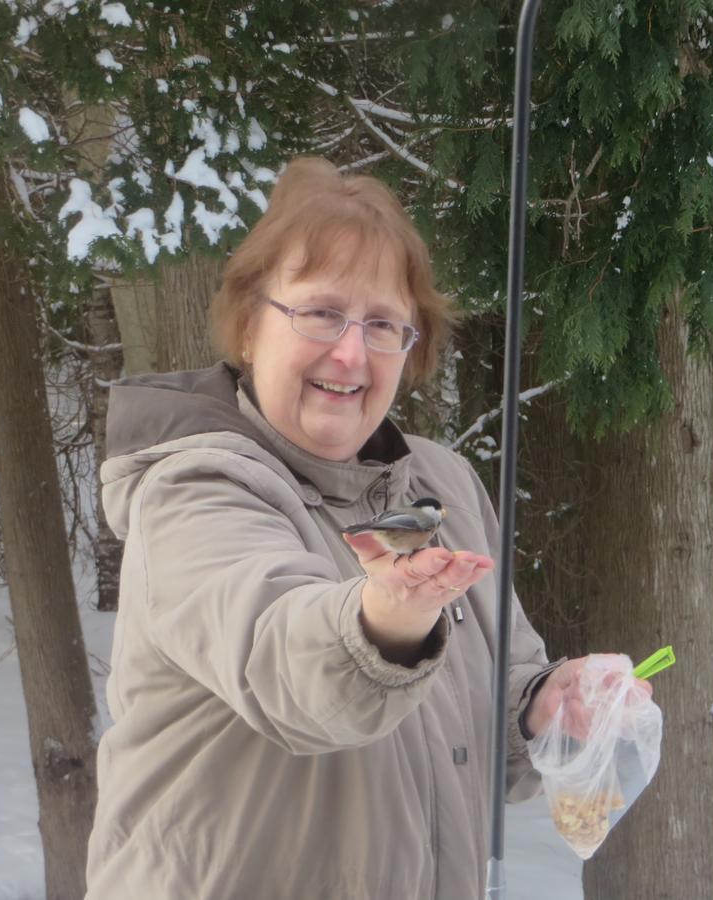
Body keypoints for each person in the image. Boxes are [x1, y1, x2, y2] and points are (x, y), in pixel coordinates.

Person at [85, 157, 638, 899]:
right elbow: (281, 658)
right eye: (320, 313)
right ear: (249, 325)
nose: (350, 352)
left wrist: (543, 708)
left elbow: (493, 708)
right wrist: (385, 622)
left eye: (383, 325)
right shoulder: (194, 489)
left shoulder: (443, 486)